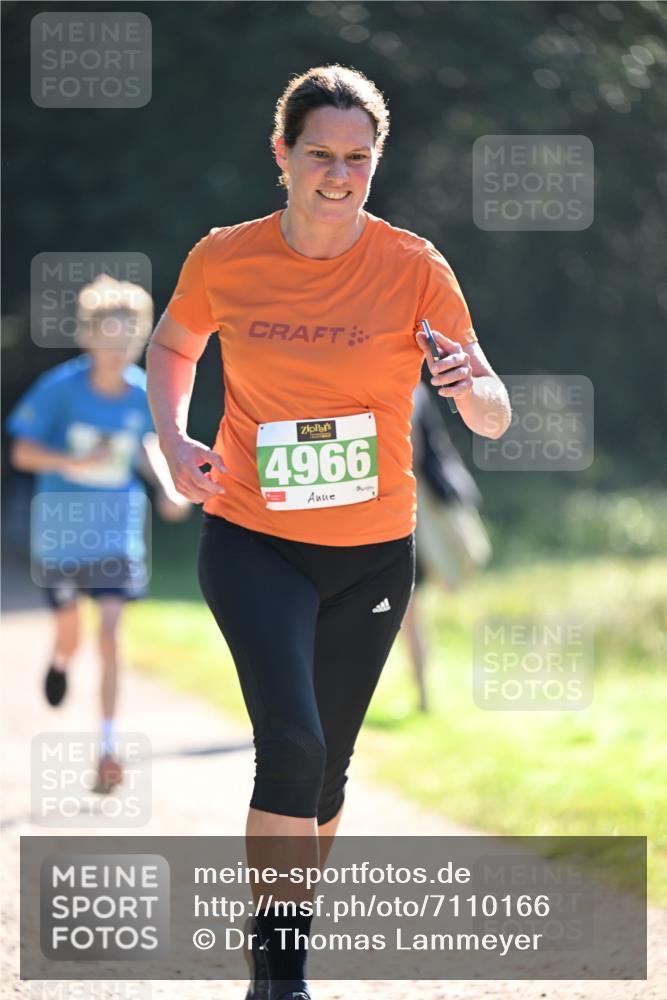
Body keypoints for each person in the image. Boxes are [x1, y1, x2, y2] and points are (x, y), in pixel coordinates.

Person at [146, 64, 511, 1000]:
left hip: (374, 551)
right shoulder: (225, 257)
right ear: (282, 154)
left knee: (329, 774)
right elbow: (174, 345)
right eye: (319, 154)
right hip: (253, 537)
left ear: (375, 159)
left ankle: (281, 959)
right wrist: (174, 437)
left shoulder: (415, 266)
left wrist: (472, 391)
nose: (338, 175)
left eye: (358, 157)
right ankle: (280, 981)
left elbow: (493, 413)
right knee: (293, 747)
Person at [7, 274, 189, 793]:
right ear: (87, 337)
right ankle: (61, 658)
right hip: (61, 535)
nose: (117, 350)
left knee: (109, 635)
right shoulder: (60, 389)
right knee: (72, 632)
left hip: (116, 534)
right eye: (107, 338)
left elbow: (148, 442)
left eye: (128, 340)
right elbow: (21, 451)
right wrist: (71, 459)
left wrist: (167, 488)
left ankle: (107, 748)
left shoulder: (141, 393)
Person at [404, 380, 492, 712]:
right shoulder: (414, 384)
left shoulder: (406, 385)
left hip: (413, 508)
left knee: (407, 609)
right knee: (408, 610)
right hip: (418, 506)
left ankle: (423, 695)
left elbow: (411, 451)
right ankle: (422, 695)